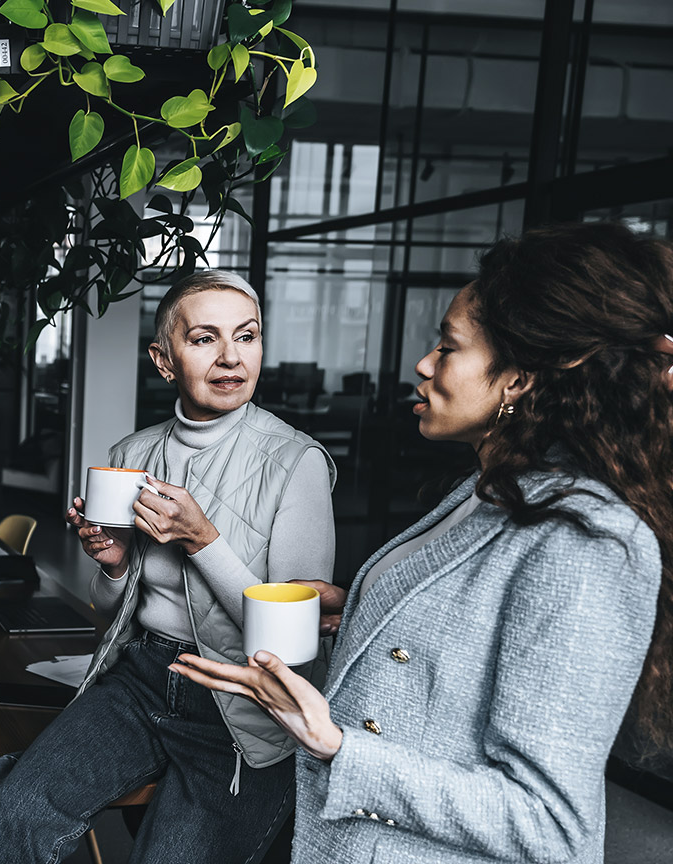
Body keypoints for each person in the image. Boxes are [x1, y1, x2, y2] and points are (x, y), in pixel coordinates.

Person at [173, 221, 673, 863]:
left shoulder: (589, 540)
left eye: (449, 347)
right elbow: (468, 636)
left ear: (518, 379)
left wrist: (336, 746)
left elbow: (551, 824)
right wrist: (362, 609)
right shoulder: (493, 488)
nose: (424, 364)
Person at [0, 271, 337, 863]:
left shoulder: (297, 462)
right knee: (16, 807)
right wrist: (113, 564)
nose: (230, 357)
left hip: (242, 701)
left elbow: (292, 644)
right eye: (204, 339)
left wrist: (202, 539)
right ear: (164, 360)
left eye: (247, 336)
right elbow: (114, 611)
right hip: (141, 677)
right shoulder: (132, 455)